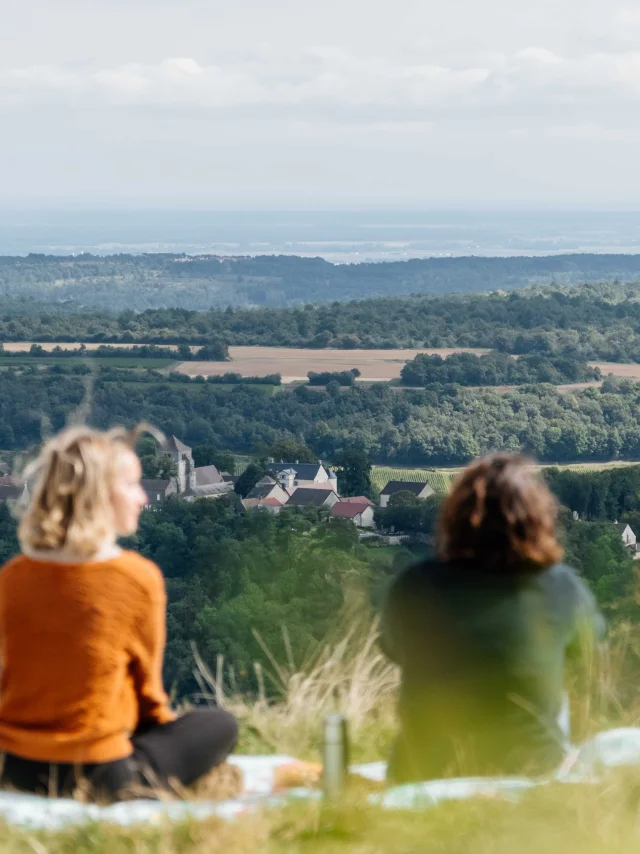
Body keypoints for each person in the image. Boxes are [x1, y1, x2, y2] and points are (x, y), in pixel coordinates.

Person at [0, 425, 238, 801]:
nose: (142, 497)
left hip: (15, 765)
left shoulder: (12, 577)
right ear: (100, 496)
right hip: (97, 775)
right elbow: (148, 701)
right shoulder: (136, 578)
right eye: (130, 485)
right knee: (219, 723)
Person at [381, 453, 604, 784]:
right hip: (531, 769)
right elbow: (586, 656)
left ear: (454, 517)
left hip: (424, 770)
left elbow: (395, 650)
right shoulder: (560, 586)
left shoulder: (416, 583)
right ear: (537, 519)